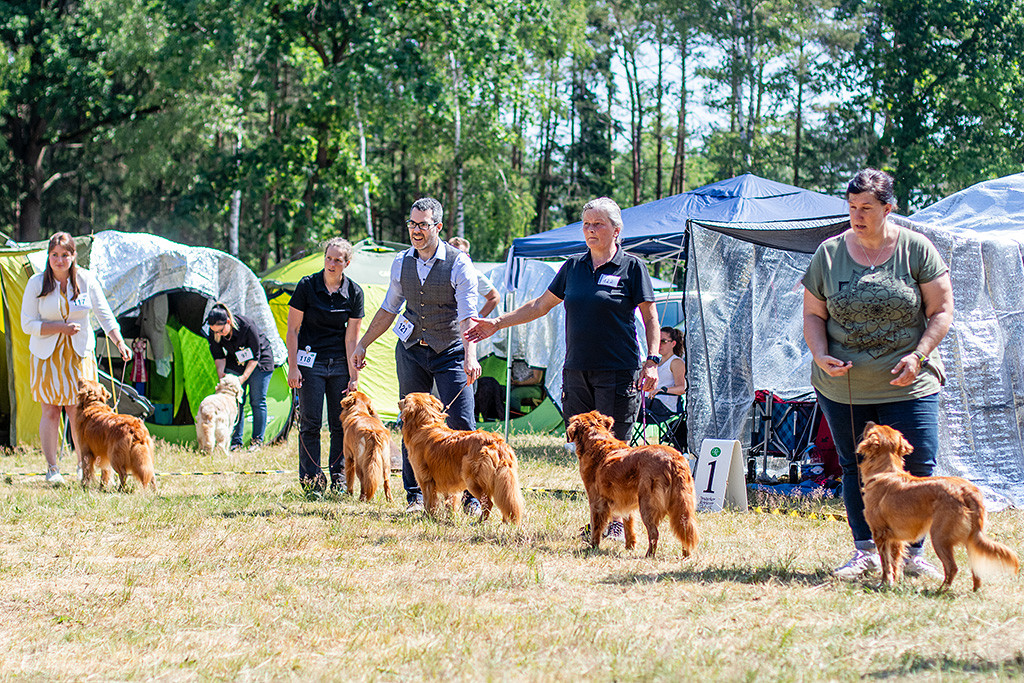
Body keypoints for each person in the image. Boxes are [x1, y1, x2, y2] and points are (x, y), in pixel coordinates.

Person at [464, 197, 661, 540]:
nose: (590, 230)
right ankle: (601, 518)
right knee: (587, 454)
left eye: (598, 224)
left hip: (617, 371)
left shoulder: (632, 268)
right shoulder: (573, 267)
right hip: (577, 372)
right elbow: (540, 305)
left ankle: (617, 524)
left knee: (616, 451)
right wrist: (497, 322)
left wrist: (653, 361)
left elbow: (650, 317)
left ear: (617, 229)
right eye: (586, 224)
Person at [802, 168, 954, 581]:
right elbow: (814, 315)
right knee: (857, 467)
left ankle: (915, 552)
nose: (857, 215)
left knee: (918, 464)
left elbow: (941, 311)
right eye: (851, 207)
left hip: (911, 382)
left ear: (889, 208)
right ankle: (866, 550)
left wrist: (919, 356)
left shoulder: (917, 249)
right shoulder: (829, 253)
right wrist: (820, 354)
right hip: (845, 385)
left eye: (866, 207)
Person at [352, 197, 482, 514]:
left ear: (437, 227)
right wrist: (363, 343)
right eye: (412, 224)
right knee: (409, 422)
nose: (416, 230)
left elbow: (468, 315)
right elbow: (388, 308)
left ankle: (472, 496)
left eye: (423, 224)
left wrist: (470, 355)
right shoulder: (401, 261)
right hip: (411, 350)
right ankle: (415, 496)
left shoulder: (459, 263)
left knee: (463, 420)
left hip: (450, 350)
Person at [20, 232, 132, 485]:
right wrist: (61, 328)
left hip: (79, 353)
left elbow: (104, 315)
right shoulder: (36, 283)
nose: (59, 260)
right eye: (54, 255)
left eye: (64, 255)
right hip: (46, 355)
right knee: (50, 410)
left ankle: (84, 466)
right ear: (48, 256)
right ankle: (52, 469)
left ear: (73, 256)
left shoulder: (86, 279)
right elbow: (27, 324)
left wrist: (120, 342)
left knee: (78, 411)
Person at [286, 237, 364, 497]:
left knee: (339, 425)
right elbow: (293, 330)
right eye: (328, 258)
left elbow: (351, 338)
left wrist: (354, 377)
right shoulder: (307, 286)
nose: (331, 263)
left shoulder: (354, 292)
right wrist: (293, 367)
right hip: (310, 364)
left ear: (347, 263)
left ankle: (339, 480)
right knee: (309, 423)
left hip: (340, 364)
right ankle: (311, 483)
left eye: (338, 260)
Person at [205, 302, 275, 451]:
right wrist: (222, 376)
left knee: (257, 400)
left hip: (260, 361)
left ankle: (257, 441)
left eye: (221, 330)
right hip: (236, 360)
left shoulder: (247, 326)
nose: (218, 334)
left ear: (228, 322)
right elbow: (218, 356)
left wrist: (242, 379)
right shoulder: (215, 332)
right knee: (235, 401)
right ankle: (236, 442)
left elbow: (255, 356)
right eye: (215, 332)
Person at [448, 237, 500, 317]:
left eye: (459, 253)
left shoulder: (473, 274)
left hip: (463, 324)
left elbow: (494, 297)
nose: (455, 257)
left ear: (467, 256)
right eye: (452, 253)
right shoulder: (438, 272)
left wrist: (479, 318)